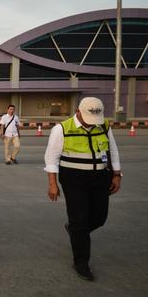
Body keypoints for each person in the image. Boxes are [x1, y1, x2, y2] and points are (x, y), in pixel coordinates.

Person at [45, 97, 122, 281]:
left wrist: (117, 174)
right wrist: (52, 183)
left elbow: (113, 150)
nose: (92, 123)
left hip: (100, 178)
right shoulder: (62, 129)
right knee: (79, 220)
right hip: (73, 180)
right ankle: (81, 262)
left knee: (99, 217)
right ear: (78, 111)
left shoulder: (104, 125)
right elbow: (51, 158)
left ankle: (75, 231)